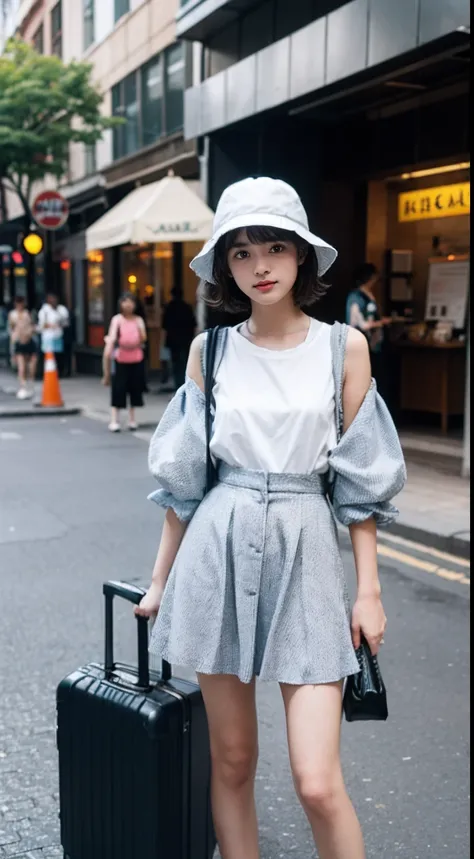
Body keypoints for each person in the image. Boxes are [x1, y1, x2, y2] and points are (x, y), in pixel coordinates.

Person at [136, 177, 406, 859]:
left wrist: (368, 590)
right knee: (231, 761)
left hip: (307, 548)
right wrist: (160, 580)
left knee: (317, 780)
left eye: (276, 247)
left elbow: (360, 480)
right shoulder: (212, 350)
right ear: (225, 265)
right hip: (216, 549)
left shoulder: (344, 348)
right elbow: (186, 482)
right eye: (241, 252)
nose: (260, 266)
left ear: (302, 257)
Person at [103, 292, 147, 433]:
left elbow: (143, 337)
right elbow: (112, 337)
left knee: (134, 388)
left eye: (131, 302)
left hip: (136, 358)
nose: (128, 305)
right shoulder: (117, 320)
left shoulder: (138, 320)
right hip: (120, 357)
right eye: (125, 301)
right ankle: (114, 419)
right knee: (118, 388)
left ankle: (132, 419)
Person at [345, 263, 392, 396]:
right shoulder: (356, 297)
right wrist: (380, 323)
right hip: (363, 342)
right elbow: (361, 324)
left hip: (374, 343)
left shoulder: (368, 294)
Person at [162, 287, 196, 389]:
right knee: (186, 361)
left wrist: (163, 342)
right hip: (186, 339)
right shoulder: (187, 307)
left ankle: (178, 385)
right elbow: (193, 324)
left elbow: (165, 326)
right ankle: (185, 383)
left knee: (176, 363)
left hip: (173, 340)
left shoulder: (169, 307)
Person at [8, 296, 37, 399]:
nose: (20, 306)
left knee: (31, 365)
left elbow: (32, 326)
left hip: (28, 340)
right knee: (21, 366)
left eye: (21, 304)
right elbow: (12, 329)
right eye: (18, 304)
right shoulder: (13, 315)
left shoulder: (27, 314)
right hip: (19, 342)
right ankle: (23, 386)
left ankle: (30, 384)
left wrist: (30, 332)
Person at [37, 293, 69, 377]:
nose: (53, 301)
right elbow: (41, 325)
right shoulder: (44, 310)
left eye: (54, 299)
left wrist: (59, 324)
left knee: (59, 356)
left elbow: (66, 323)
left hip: (58, 335)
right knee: (49, 356)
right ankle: (48, 373)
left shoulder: (61, 309)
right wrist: (50, 325)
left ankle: (59, 372)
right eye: (51, 299)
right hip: (48, 337)